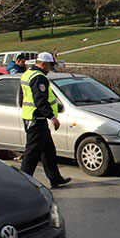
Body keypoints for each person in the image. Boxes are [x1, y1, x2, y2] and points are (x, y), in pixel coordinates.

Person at [20, 52, 71, 189]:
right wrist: (52, 117)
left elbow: (22, 98)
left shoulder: (27, 74)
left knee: (48, 151)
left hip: (31, 117)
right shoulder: (39, 78)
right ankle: (23, 182)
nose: (50, 68)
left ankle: (55, 178)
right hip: (37, 119)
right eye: (49, 65)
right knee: (32, 152)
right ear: (43, 64)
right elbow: (40, 100)